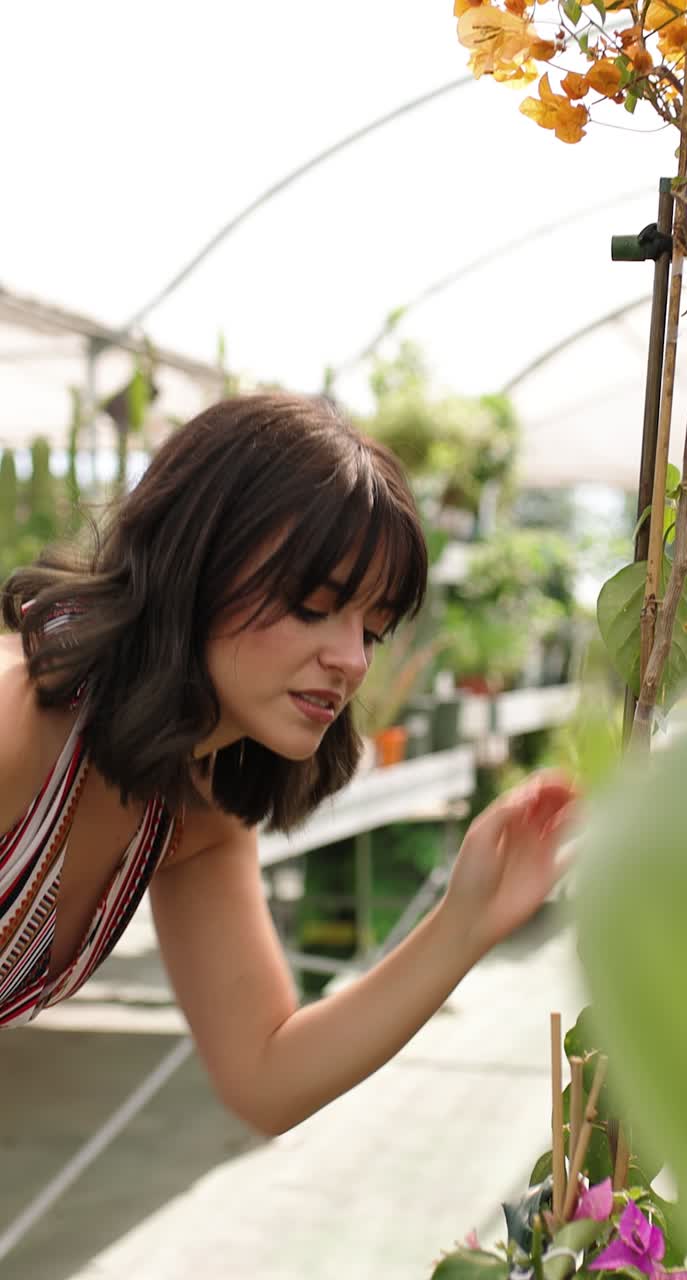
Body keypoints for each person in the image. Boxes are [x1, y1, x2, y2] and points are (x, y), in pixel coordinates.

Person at [0, 390, 576, 1136]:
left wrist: (465, 921)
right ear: (198, 561)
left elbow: (266, 1074)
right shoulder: (19, 723)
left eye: (373, 629)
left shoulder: (191, 813)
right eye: (314, 605)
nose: (350, 660)